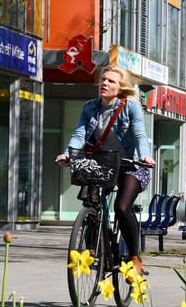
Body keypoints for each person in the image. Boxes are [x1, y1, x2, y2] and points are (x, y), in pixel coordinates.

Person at [56, 65, 155, 279]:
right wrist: (68, 154)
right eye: (103, 79)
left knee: (121, 207)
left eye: (111, 81)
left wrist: (145, 155)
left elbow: (139, 134)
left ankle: (134, 257)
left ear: (120, 87)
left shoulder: (130, 106)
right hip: (102, 162)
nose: (105, 83)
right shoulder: (90, 107)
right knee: (91, 200)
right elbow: (79, 134)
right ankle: (92, 245)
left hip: (130, 165)